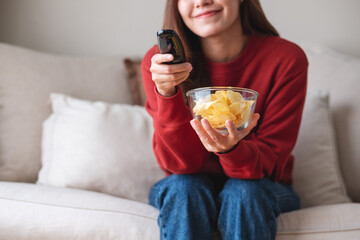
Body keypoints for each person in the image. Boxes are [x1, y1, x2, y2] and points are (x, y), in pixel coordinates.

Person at [141, 0, 308, 239]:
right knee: (185, 188)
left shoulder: (286, 59)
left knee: (244, 192)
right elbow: (180, 166)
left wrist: (232, 150)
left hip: (260, 185)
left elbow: (270, 161)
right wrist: (167, 93)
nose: (201, 2)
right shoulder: (160, 65)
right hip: (188, 186)